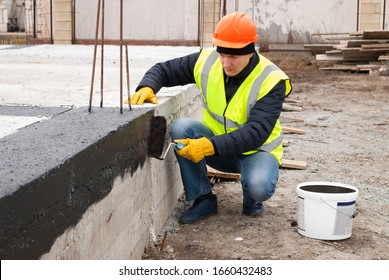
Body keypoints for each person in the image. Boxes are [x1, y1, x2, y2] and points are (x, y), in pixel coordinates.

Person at [128, 12, 292, 224]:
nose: (226, 63)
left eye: (233, 57)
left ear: (250, 52)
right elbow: (164, 69)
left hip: (256, 152)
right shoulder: (207, 61)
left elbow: (255, 134)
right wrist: (148, 85)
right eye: (222, 54)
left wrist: (207, 147)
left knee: (259, 186)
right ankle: (203, 199)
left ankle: (252, 198)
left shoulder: (271, 80)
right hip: (221, 150)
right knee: (182, 128)